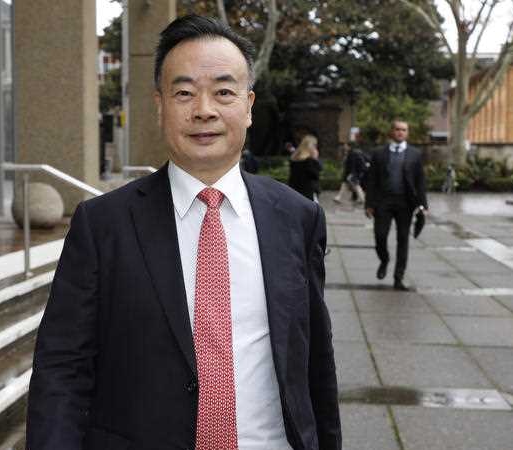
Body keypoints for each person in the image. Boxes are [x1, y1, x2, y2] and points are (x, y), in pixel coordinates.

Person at [26, 15, 341, 450]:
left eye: (224, 92)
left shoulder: (297, 218)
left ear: (248, 106)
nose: (204, 110)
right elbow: (61, 369)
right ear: (159, 104)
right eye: (185, 92)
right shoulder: (103, 226)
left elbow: (315, 364)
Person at [364, 120, 428, 291]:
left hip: (405, 203)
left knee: (403, 240)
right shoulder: (379, 153)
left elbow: (420, 181)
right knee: (380, 236)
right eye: (397, 129)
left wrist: (423, 205)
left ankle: (398, 278)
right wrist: (369, 203)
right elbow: (371, 180)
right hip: (383, 201)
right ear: (391, 132)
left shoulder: (415, 154)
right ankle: (384, 259)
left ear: (407, 133)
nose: (400, 132)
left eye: (404, 130)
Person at [288, 134, 323, 202]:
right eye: (315, 145)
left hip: (294, 192)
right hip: (308, 194)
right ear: (311, 146)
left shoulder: (294, 159)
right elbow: (316, 175)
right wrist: (315, 159)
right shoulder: (309, 161)